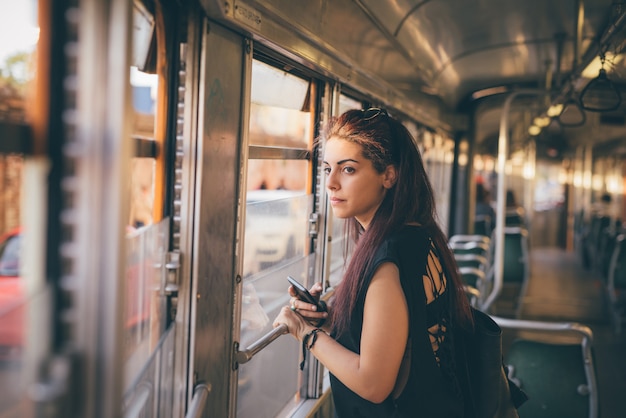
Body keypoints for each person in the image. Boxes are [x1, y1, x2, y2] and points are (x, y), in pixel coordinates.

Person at [273, 108, 475, 417]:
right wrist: (329, 321)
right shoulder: (419, 235)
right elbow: (401, 336)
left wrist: (305, 332)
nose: (331, 183)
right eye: (327, 169)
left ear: (388, 175)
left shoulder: (386, 262)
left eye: (349, 169)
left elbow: (374, 383)